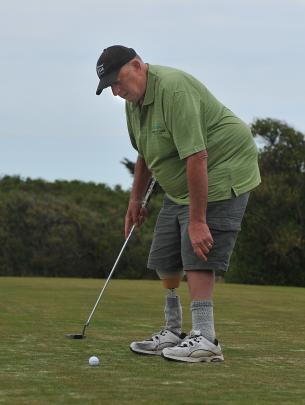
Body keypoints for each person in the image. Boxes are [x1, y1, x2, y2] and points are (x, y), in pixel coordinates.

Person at [95, 45, 261, 363]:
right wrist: (135, 199)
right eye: (110, 87)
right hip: (183, 183)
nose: (116, 91)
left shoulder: (173, 90)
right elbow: (145, 153)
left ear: (137, 65)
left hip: (223, 169)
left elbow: (197, 155)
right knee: (165, 253)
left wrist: (198, 220)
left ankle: (205, 339)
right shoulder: (133, 104)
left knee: (196, 251)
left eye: (118, 81)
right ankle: (173, 331)